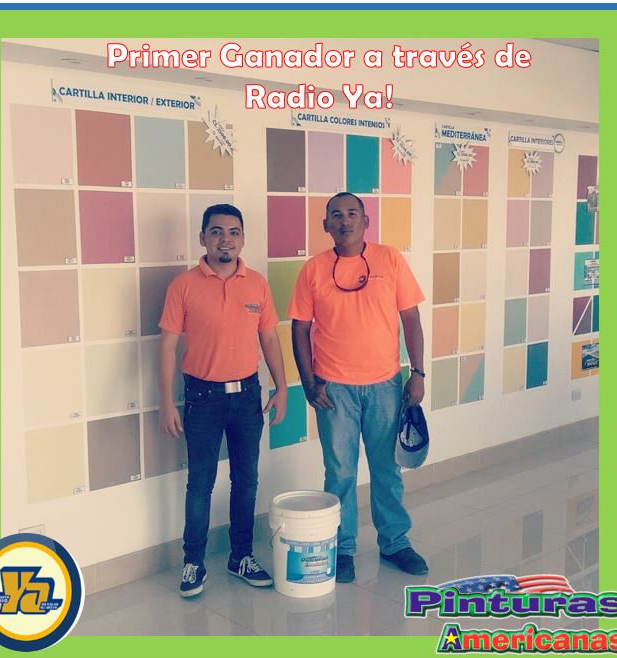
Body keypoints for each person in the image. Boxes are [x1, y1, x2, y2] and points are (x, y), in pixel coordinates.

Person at [288, 192, 428, 583]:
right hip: (334, 389)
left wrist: (418, 372)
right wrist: (308, 383)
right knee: (340, 473)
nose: (344, 220)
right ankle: (343, 547)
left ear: (366, 222)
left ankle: (395, 542)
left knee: (387, 470)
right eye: (336, 215)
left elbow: (411, 319)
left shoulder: (390, 259)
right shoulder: (313, 270)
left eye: (352, 213)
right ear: (326, 225)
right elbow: (299, 329)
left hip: (385, 385)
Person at [159, 203, 287, 598]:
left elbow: (269, 338)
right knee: (200, 483)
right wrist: (166, 402)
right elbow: (167, 345)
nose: (224, 240)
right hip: (202, 398)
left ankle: (241, 557)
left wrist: (281, 387)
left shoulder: (257, 284)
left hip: (248, 397)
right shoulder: (183, 285)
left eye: (233, 232)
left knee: (246, 480)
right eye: (216, 232)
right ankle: (193, 562)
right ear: (203, 238)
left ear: (243, 238)